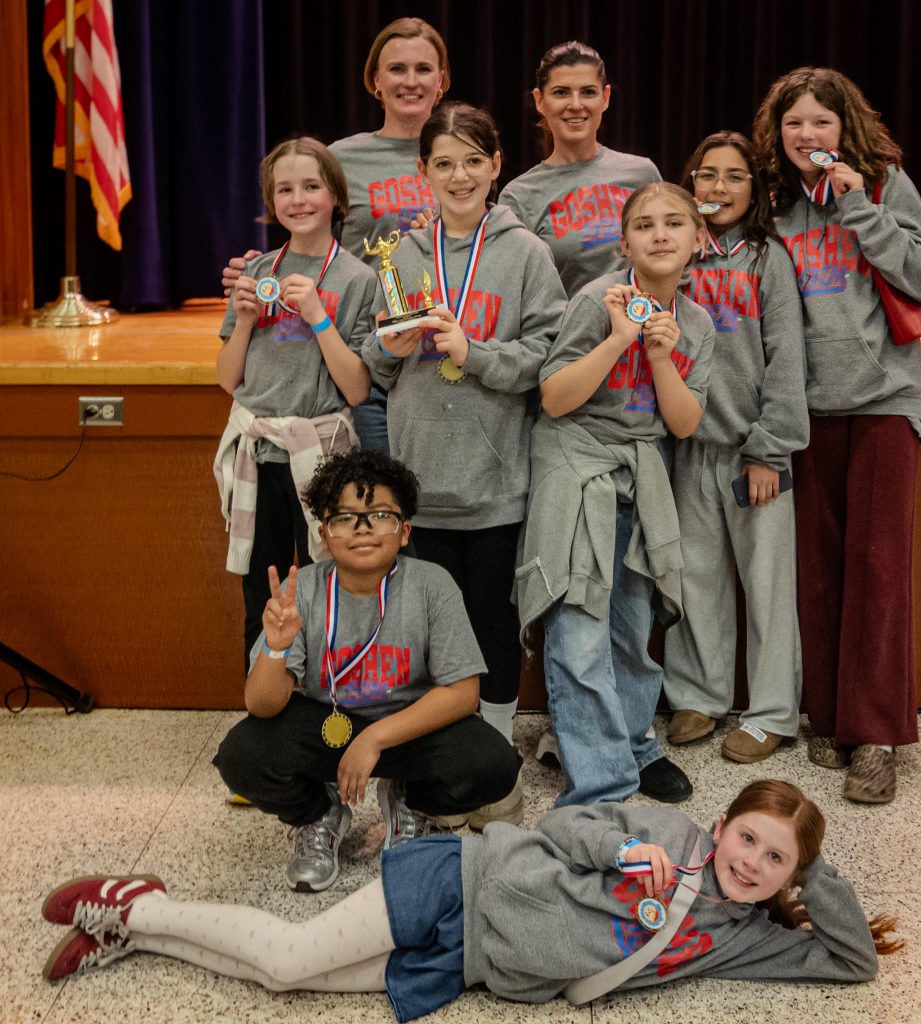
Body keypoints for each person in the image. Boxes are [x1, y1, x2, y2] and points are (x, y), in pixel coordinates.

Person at [42, 780, 902, 1024]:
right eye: (747, 837)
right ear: (720, 826)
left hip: (476, 964)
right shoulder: (671, 833)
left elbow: (852, 961)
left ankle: (130, 936)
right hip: (466, 879)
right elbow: (565, 823)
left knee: (281, 986)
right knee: (287, 954)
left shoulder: (745, 934)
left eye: (774, 858)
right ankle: (135, 902)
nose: (751, 861)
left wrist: (811, 868)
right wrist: (623, 849)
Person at [362, 102, 566, 826]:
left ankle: (496, 757)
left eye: (472, 161)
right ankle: (429, 765)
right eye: (443, 162)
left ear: (496, 166)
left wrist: (473, 354)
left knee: (489, 626)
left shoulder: (525, 254)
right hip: (420, 487)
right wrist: (386, 350)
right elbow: (368, 365)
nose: (458, 175)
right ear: (423, 172)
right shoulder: (398, 256)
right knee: (422, 634)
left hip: (494, 487)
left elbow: (546, 357)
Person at [752, 67, 921, 803]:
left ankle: (878, 737)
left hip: (884, 399)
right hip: (806, 407)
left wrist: (860, 207)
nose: (808, 136)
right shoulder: (772, 201)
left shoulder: (886, 185)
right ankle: (829, 716)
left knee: (879, 567)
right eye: (794, 123)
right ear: (778, 131)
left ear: (845, 129)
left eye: (821, 124)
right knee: (820, 568)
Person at [211, 449, 521, 893]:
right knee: (243, 754)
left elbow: (463, 692)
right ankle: (319, 815)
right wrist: (276, 650)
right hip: (327, 725)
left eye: (379, 515)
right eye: (345, 517)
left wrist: (374, 738)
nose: (362, 528)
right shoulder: (306, 590)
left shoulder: (432, 585)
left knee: (493, 764)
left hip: (406, 730)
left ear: (405, 530)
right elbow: (261, 705)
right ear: (324, 532)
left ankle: (410, 803)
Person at [515, 182, 715, 807]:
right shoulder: (593, 300)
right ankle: (602, 779)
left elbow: (683, 424)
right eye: (646, 225)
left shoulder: (698, 324)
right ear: (624, 241)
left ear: (697, 241)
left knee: (631, 625)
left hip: (640, 472)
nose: (660, 234)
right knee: (577, 627)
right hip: (576, 466)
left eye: (675, 223)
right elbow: (554, 398)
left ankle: (634, 743)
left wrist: (660, 360)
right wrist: (618, 338)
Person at [222, 17, 451, 454]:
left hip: (438, 349)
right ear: (375, 80)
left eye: (423, 69)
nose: (410, 81)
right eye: (396, 69)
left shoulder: (459, 153)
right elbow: (311, 238)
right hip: (366, 351)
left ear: (441, 80)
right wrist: (264, 269)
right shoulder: (343, 157)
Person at [661, 131, 809, 764]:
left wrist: (769, 449)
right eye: (706, 175)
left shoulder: (766, 258)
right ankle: (699, 694)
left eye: (734, 177)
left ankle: (774, 710)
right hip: (691, 446)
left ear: (758, 190)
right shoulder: (675, 255)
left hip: (754, 453)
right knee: (696, 580)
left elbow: (785, 361)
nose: (718, 188)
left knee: (768, 586)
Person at [214, 137, 376, 668]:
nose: (299, 199)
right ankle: (263, 702)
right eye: (285, 189)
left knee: (328, 585)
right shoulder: (256, 272)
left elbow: (356, 389)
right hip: (259, 459)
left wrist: (319, 318)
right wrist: (241, 322)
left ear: (335, 195)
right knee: (261, 592)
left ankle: (324, 695)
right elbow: (226, 379)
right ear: (271, 200)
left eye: (311, 186)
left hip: (321, 459)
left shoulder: (357, 278)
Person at [498, 40, 661, 299]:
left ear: (605, 98)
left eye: (588, 92)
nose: (576, 104)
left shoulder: (642, 174)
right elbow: (518, 294)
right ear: (540, 100)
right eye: (561, 92)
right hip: (566, 338)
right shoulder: (519, 195)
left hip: (643, 333)